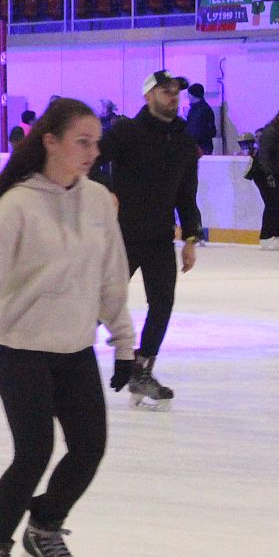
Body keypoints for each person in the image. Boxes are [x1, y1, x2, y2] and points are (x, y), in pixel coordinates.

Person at [0, 98, 136, 557]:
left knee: (89, 448)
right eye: (82, 141)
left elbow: (111, 277)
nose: (93, 152)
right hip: (22, 351)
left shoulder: (98, 200)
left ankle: (45, 529)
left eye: (96, 142)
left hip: (75, 351)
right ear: (50, 142)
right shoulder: (18, 204)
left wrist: (124, 343)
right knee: (33, 454)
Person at [91, 71, 203, 409]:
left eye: (176, 91)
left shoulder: (184, 141)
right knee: (99, 303)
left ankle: (142, 371)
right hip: (121, 236)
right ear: (148, 96)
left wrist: (190, 237)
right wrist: (106, 190)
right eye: (165, 91)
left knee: (163, 304)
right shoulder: (126, 131)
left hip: (159, 238)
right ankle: (60, 359)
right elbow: (90, 160)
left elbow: (187, 193)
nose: (173, 96)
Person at [249, 107, 279, 249]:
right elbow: (265, 156)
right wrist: (269, 175)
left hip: (275, 171)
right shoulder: (270, 132)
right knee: (272, 202)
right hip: (262, 171)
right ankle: (266, 237)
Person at [184, 84, 217, 156]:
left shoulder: (204, 110)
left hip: (202, 147)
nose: (188, 96)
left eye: (189, 94)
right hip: (195, 146)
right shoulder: (194, 109)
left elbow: (210, 130)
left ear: (193, 95)